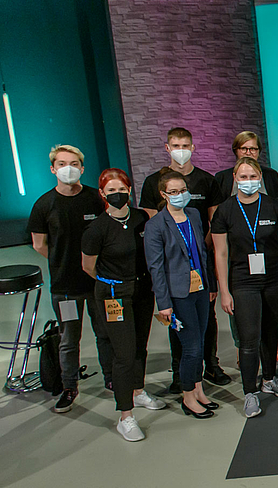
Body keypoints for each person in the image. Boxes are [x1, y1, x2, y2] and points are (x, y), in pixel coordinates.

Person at [138, 127, 229, 390]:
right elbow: (153, 234)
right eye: (176, 145)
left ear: (193, 147)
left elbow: (213, 224)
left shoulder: (202, 190)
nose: (181, 150)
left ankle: (208, 366)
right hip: (174, 273)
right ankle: (182, 376)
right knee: (180, 329)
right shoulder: (152, 185)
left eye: (185, 145)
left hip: (199, 271)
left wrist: (201, 263)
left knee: (204, 324)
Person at [81, 168, 165, 441]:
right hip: (113, 294)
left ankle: (138, 391)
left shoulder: (141, 218)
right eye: (111, 190)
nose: (117, 194)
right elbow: (89, 267)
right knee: (124, 353)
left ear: (129, 190)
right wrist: (113, 282)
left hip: (142, 289)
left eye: (122, 189)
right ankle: (125, 416)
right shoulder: (96, 229)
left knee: (140, 345)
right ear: (102, 194)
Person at [28, 144, 109, 413]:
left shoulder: (96, 199)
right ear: (53, 169)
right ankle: (69, 386)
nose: (68, 168)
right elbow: (39, 244)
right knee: (68, 339)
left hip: (97, 281)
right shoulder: (44, 204)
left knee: (105, 333)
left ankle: (111, 378)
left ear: (82, 168)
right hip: (65, 286)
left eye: (74, 163)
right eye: (62, 163)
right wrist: (63, 260)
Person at [211, 158, 278, 419]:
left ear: (260, 177)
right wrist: (224, 291)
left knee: (271, 334)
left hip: (273, 280)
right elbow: (220, 254)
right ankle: (250, 393)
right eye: (243, 177)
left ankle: (269, 379)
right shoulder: (225, 211)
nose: (248, 181)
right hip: (243, 282)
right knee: (249, 340)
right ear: (235, 178)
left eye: (253, 176)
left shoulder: (273, 206)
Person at [144, 171, 217, 419]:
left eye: (182, 190)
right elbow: (156, 267)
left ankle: (198, 388)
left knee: (202, 341)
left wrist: (211, 285)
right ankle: (187, 396)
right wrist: (163, 303)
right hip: (179, 294)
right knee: (191, 347)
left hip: (200, 288)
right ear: (163, 194)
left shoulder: (194, 215)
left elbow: (203, 253)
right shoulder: (155, 225)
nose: (179, 195)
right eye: (173, 192)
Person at [215, 131, 278, 199]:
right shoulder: (222, 177)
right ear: (236, 150)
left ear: (259, 151)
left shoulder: (271, 175)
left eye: (253, 149)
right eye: (244, 149)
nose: (248, 153)